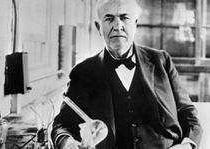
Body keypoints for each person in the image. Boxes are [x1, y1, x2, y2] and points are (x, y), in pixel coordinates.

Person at [51, 0, 203, 149]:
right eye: (109, 18)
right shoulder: (83, 72)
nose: (117, 26)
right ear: (98, 27)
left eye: (124, 18)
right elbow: (62, 125)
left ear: (135, 24)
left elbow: (188, 114)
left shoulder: (161, 61)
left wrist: (187, 145)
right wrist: (68, 143)